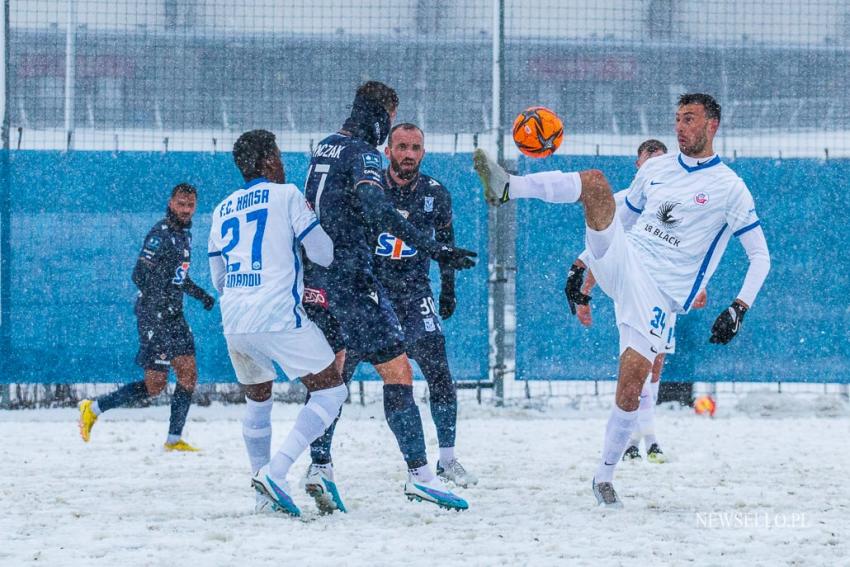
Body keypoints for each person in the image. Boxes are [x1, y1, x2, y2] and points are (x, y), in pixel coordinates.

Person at [474, 93, 771, 508]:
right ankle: (507, 186)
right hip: (625, 260)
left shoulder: (730, 188)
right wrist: (581, 267)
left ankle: (604, 476)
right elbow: (622, 218)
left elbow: (760, 256)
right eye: (677, 119)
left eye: (689, 119)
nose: (681, 127)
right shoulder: (657, 169)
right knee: (595, 183)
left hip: (659, 293)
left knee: (632, 381)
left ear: (712, 125)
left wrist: (739, 307)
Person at [302, 81, 476, 512]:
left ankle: (311, 467)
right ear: (383, 121)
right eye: (396, 136)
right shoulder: (365, 158)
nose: (402, 148)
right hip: (360, 284)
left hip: (328, 283)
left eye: (414, 145)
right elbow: (377, 209)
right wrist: (434, 248)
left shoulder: (325, 148)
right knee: (396, 373)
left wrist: (445, 281)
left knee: (332, 378)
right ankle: (421, 476)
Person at [207, 129, 348, 517]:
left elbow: (218, 278)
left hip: (235, 320)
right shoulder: (286, 194)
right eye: (280, 156)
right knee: (332, 392)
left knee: (258, 400)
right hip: (277, 315)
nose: (284, 163)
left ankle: (261, 495)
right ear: (269, 160)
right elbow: (323, 253)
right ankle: (277, 471)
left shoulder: (222, 209)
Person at [565, 139, 709, 464]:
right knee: (636, 366)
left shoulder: (672, 204)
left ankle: (646, 438)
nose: (656, 167)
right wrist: (584, 292)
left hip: (664, 292)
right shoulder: (619, 204)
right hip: (633, 293)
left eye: (662, 162)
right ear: (638, 164)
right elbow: (600, 253)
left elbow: (691, 250)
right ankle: (637, 442)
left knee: (654, 366)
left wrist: (697, 286)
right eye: (650, 160)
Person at [78, 183, 215, 451]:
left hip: (175, 316)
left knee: (188, 375)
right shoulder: (160, 233)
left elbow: (178, 277)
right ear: (171, 203)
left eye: (190, 205)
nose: (186, 210)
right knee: (155, 386)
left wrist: (200, 295)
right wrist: (159, 305)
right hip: (155, 316)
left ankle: (173, 440)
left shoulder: (184, 235)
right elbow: (139, 275)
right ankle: (93, 408)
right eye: (181, 204)